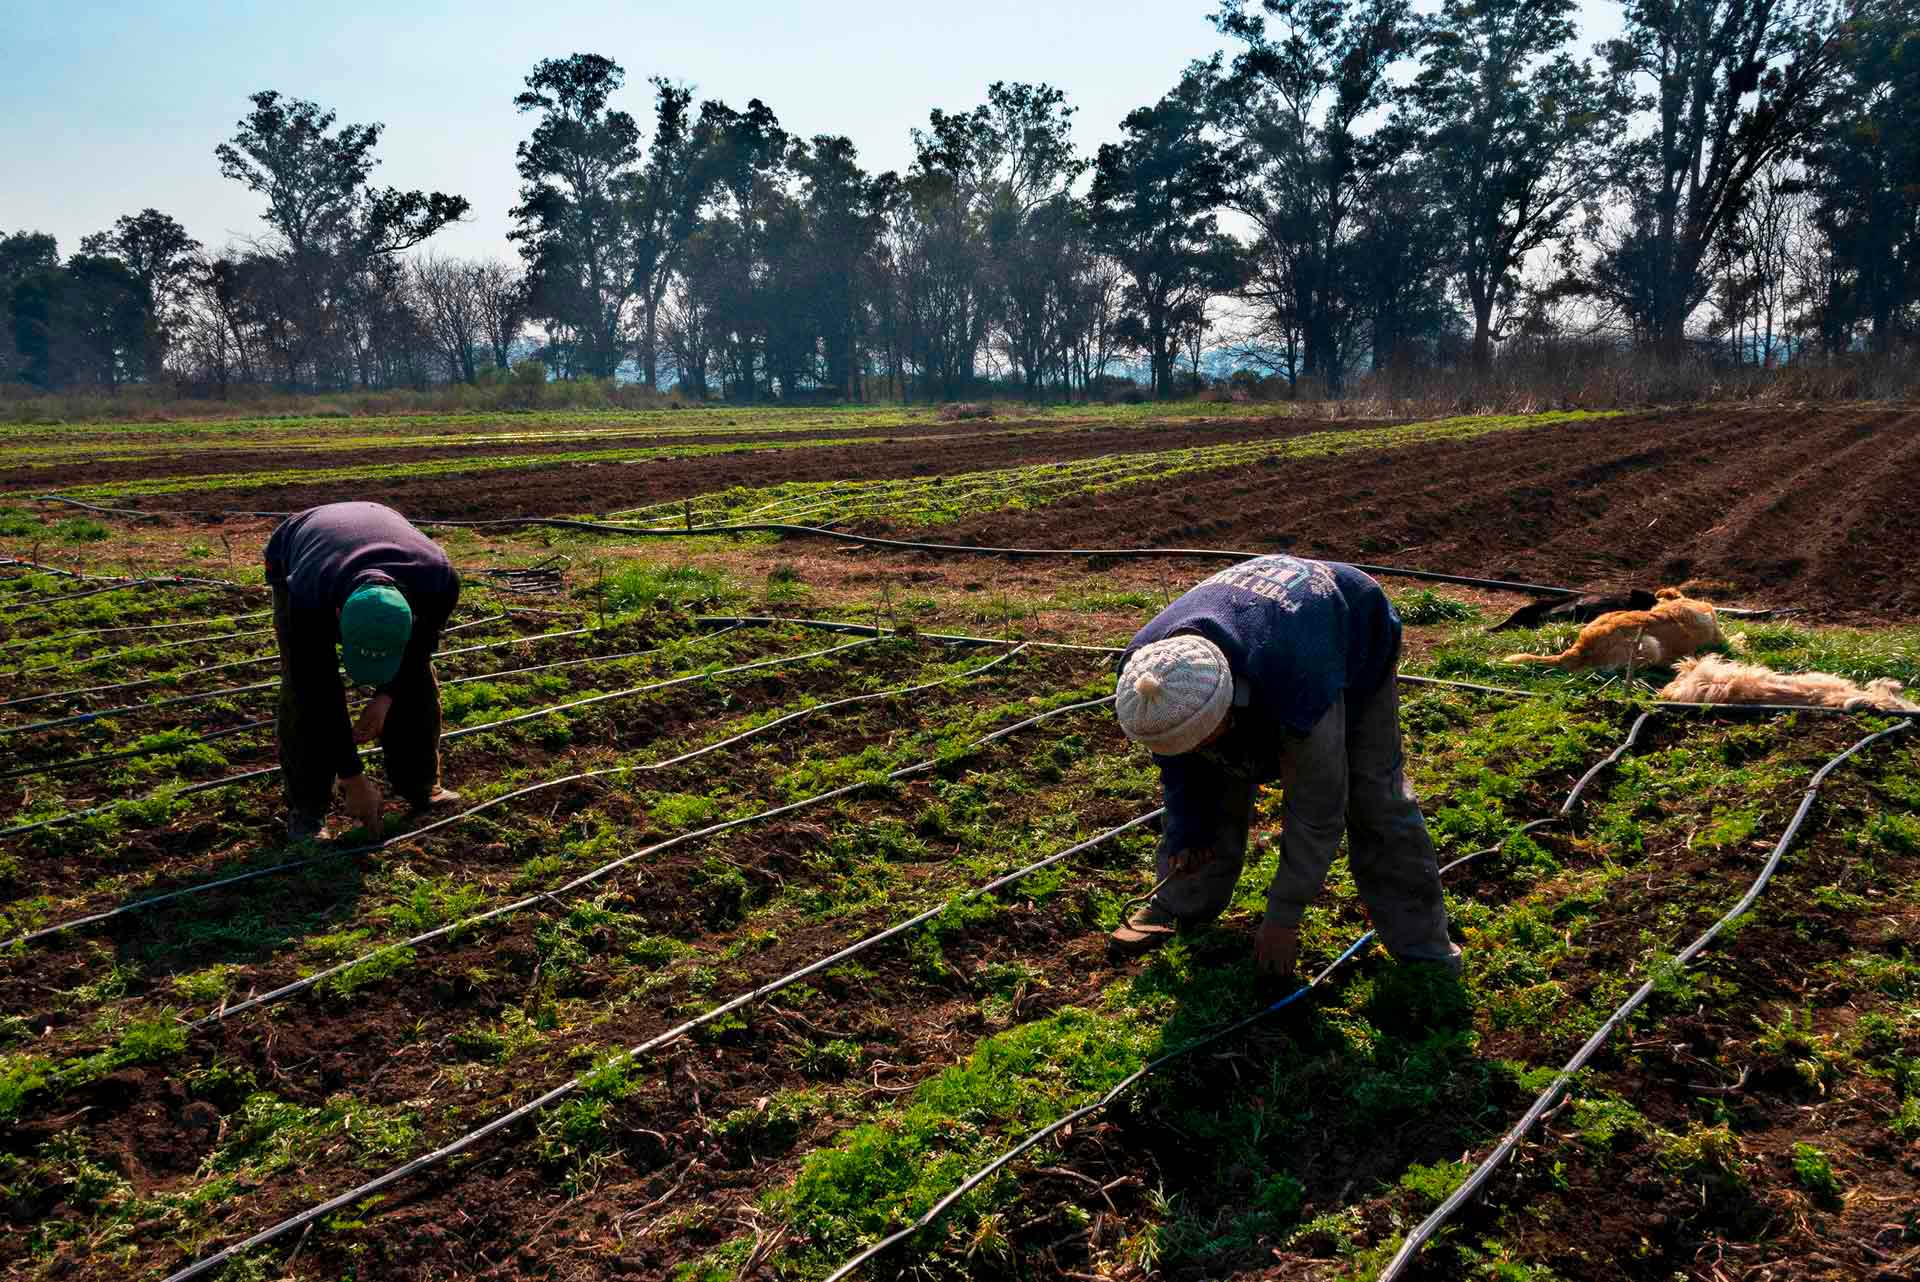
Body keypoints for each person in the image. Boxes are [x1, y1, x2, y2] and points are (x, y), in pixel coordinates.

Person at [1108, 554, 1459, 979]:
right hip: (1262, 634)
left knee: (1374, 796)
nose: (1198, 747)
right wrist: (1188, 834)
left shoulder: (1296, 684)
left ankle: (1424, 951)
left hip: (1347, 625)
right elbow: (1179, 764)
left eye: (1207, 735)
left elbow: (1317, 812)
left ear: (1230, 707)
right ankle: (1180, 903)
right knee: (1213, 784)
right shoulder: (1148, 674)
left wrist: (1283, 917)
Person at [264, 501, 462, 841]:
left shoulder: (439, 583)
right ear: (337, 615)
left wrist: (386, 697)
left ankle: (419, 784)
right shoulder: (308, 596)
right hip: (299, 552)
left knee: (416, 680)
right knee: (302, 692)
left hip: (386, 544)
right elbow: (318, 687)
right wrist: (352, 777)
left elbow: (417, 652)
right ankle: (308, 809)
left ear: (411, 619)